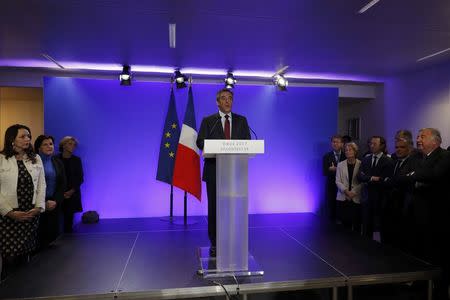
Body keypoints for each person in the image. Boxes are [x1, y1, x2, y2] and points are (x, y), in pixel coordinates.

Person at [196, 88, 251, 256]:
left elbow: (247, 142)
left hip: (235, 171)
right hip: (214, 171)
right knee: (214, 208)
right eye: (224, 98)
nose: (227, 101)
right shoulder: (209, 121)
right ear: (217, 102)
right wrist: (216, 146)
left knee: (233, 206)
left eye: (230, 98)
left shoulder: (242, 120)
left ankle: (233, 238)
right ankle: (215, 242)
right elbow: (200, 141)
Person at [408, 128, 450, 299]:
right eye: (418, 136)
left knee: (439, 256)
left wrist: (414, 176)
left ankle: (440, 290)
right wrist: (416, 177)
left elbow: (433, 175)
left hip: (438, 217)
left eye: (422, 137)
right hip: (420, 215)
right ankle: (422, 285)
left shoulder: (445, 157)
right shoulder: (418, 157)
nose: (418, 139)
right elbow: (407, 176)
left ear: (435, 141)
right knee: (421, 253)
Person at [0, 124, 46, 279]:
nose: (27, 139)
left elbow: (41, 185)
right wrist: (10, 212)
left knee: (26, 261)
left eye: (29, 136)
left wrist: (39, 207)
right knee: (9, 260)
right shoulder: (1, 159)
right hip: (8, 218)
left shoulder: (35, 158)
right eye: (23, 136)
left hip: (30, 215)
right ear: (12, 140)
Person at [357, 136, 393, 240]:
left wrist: (367, 178)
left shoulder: (388, 161)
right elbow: (360, 176)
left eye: (374, 144)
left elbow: (384, 179)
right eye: (370, 143)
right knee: (366, 225)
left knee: (380, 226)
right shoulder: (366, 159)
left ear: (381, 145)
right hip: (367, 197)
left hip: (381, 197)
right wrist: (372, 178)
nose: (371, 145)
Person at [34, 135, 66, 248]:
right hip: (37, 205)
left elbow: (62, 184)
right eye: (45, 144)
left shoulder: (58, 162)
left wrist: (55, 201)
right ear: (38, 148)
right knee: (38, 238)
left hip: (53, 203)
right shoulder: (33, 162)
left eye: (51, 144)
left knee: (51, 237)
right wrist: (43, 203)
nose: (49, 146)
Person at [58, 136, 84, 233]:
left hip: (72, 193)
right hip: (58, 193)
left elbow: (80, 178)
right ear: (63, 145)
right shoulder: (55, 159)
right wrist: (61, 192)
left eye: (74, 145)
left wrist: (71, 191)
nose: (72, 146)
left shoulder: (77, 160)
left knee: (69, 221)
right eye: (70, 144)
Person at [335, 142, 362, 232]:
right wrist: (346, 191)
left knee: (357, 224)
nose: (347, 152)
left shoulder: (361, 164)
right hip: (343, 197)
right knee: (345, 225)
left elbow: (363, 182)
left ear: (355, 151)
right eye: (346, 150)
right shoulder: (340, 164)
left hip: (356, 197)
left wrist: (353, 192)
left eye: (350, 150)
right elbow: (338, 181)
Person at [322, 135, 345, 222]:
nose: (335, 143)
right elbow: (325, 172)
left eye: (337, 142)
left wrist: (336, 169)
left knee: (342, 210)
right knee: (331, 208)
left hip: (344, 186)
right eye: (333, 142)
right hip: (331, 186)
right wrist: (330, 169)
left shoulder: (346, 155)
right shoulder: (326, 156)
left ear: (342, 144)